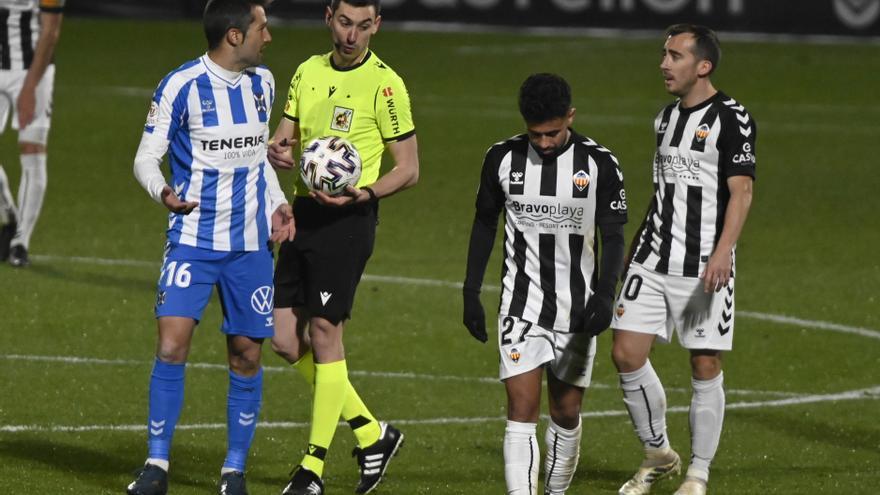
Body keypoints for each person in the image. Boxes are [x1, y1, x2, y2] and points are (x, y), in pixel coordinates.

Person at [126, 1, 293, 494]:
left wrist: (279, 204)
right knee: (171, 344)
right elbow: (146, 158)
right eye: (262, 27)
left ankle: (233, 471)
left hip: (249, 248)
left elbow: (258, 157)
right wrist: (164, 194)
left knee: (246, 355)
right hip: (192, 242)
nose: (269, 36)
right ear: (235, 37)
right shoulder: (180, 86)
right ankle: (157, 466)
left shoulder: (262, 84)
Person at [265, 0, 419, 493]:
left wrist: (366, 192)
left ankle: (312, 467)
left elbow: (409, 167)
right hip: (301, 217)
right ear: (329, 17)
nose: (353, 36)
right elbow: (284, 137)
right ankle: (373, 434)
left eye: (364, 26)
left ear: (378, 25)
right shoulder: (307, 71)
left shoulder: (386, 84)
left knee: (327, 334)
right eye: (346, 23)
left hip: (349, 219)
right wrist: (277, 151)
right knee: (286, 340)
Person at [462, 73, 628, 495]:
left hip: (577, 309)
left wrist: (606, 293)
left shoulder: (600, 164)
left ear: (570, 117)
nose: (544, 143)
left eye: (553, 133)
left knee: (566, 412)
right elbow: (484, 223)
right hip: (521, 305)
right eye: (535, 135)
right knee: (521, 409)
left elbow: (613, 236)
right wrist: (470, 291)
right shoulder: (501, 158)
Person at [611, 24, 756, 495]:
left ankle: (697, 473)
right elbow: (663, 193)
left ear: (703, 65)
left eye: (674, 56)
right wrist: (634, 247)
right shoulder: (665, 118)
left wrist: (722, 254)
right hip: (653, 256)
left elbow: (742, 192)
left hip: (703, 265)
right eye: (664, 54)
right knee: (625, 354)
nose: (663, 64)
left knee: (704, 364)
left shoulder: (733, 118)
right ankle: (658, 452)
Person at [0, 0, 64, 267]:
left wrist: (29, 87)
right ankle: (9, 215)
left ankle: (20, 243)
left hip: (33, 69)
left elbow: (50, 31)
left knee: (32, 148)